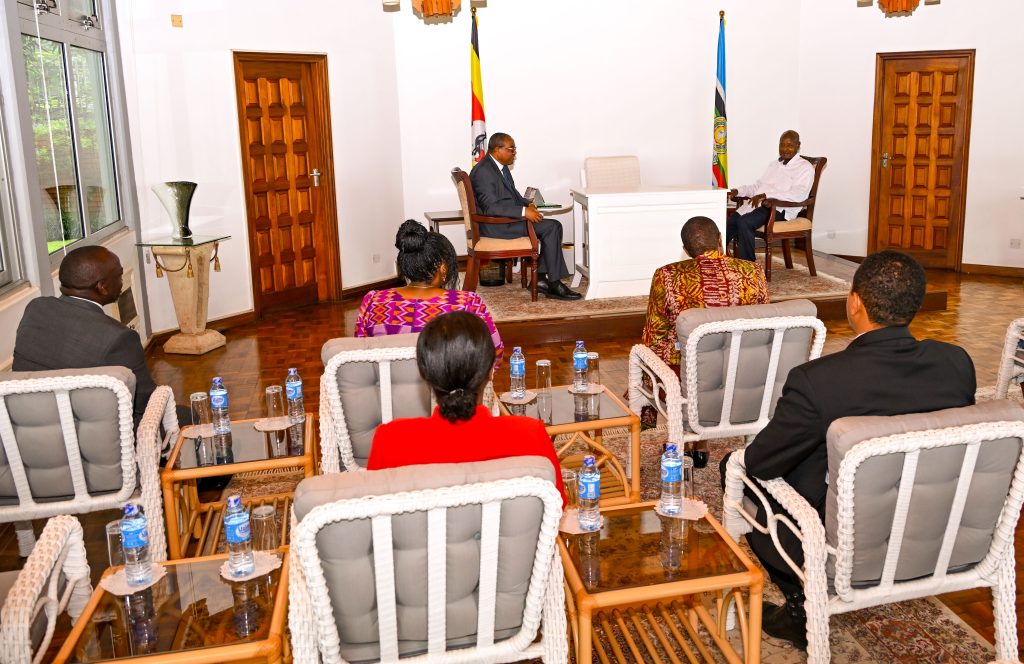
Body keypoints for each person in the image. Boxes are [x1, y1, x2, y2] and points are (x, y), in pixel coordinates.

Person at [722, 250, 975, 649]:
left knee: (734, 468)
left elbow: (760, 462)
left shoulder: (818, 380)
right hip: (935, 530)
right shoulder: (956, 363)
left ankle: (799, 605)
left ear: (855, 301)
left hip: (848, 545)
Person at [366, 311, 566, 505]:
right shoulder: (530, 435)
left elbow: (372, 512)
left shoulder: (390, 440)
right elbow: (556, 507)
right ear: (490, 371)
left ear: (424, 374)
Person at [13, 246, 159, 428]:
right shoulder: (119, 338)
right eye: (119, 276)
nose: (122, 281)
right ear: (102, 287)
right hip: (92, 441)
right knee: (191, 414)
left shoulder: (35, 308)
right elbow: (146, 405)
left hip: (24, 431)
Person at [355, 220, 504, 367]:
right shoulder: (467, 303)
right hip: (447, 387)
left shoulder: (373, 300)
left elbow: (360, 355)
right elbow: (495, 355)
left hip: (388, 387)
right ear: (443, 267)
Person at [642, 216, 769, 376]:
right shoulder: (753, 271)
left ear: (686, 250)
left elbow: (654, 335)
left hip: (689, 367)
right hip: (742, 364)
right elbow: (763, 323)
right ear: (720, 239)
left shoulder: (667, 275)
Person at [469, 132, 582, 301]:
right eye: (511, 149)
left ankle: (544, 279)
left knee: (554, 226)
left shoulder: (499, 167)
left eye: (515, 149)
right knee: (551, 227)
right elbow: (490, 207)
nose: (514, 153)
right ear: (498, 149)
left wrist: (527, 204)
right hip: (496, 227)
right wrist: (523, 212)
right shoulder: (484, 172)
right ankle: (553, 283)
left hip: (506, 221)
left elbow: (511, 197)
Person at [725, 130, 815, 262]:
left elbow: (798, 194)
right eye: (782, 145)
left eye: (789, 145)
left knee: (745, 222)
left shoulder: (805, 168)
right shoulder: (774, 165)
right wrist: (738, 191)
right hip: (758, 206)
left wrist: (766, 195)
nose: (785, 149)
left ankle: (748, 266)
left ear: (798, 145)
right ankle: (713, 260)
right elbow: (758, 186)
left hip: (779, 209)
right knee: (730, 223)